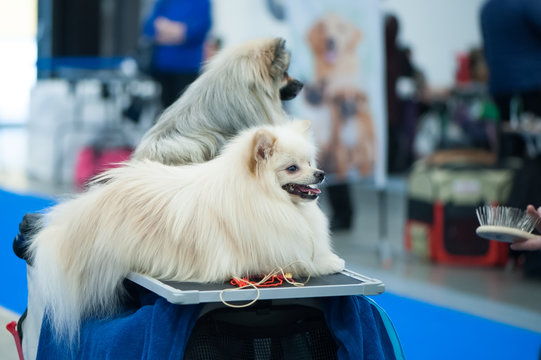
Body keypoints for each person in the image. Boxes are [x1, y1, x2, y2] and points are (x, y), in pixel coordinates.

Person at [142, 0, 212, 109]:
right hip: (163, 67)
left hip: (187, 68)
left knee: (185, 110)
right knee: (164, 110)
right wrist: (178, 32)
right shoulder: (164, 2)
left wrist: (166, 29)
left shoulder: (201, 2)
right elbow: (149, 28)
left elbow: (198, 31)